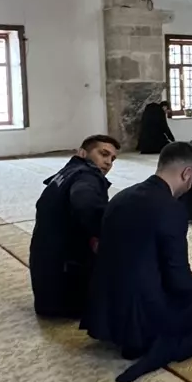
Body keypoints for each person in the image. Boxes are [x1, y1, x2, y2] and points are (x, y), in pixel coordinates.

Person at [82, 142, 192, 382]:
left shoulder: (122, 197)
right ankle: (168, 348)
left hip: (108, 312)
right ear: (187, 174)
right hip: (146, 314)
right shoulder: (171, 209)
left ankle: (144, 339)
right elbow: (179, 283)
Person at [28, 134, 119, 318]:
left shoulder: (66, 173)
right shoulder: (87, 176)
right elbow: (86, 205)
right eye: (103, 154)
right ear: (82, 153)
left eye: (112, 159)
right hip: (66, 289)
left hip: (47, 286)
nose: (108, 162)